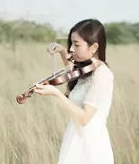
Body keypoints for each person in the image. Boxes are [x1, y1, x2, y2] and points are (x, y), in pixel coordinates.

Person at [34, 19, 114, 164]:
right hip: (75, 139)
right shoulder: (87, 69)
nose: (71, 48)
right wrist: (62, 51)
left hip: (91, 146)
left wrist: (55, 93)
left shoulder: (102, 74)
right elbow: (72, 74)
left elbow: (84, 118)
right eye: (71, 43)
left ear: (94, 47)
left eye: (76, 44)